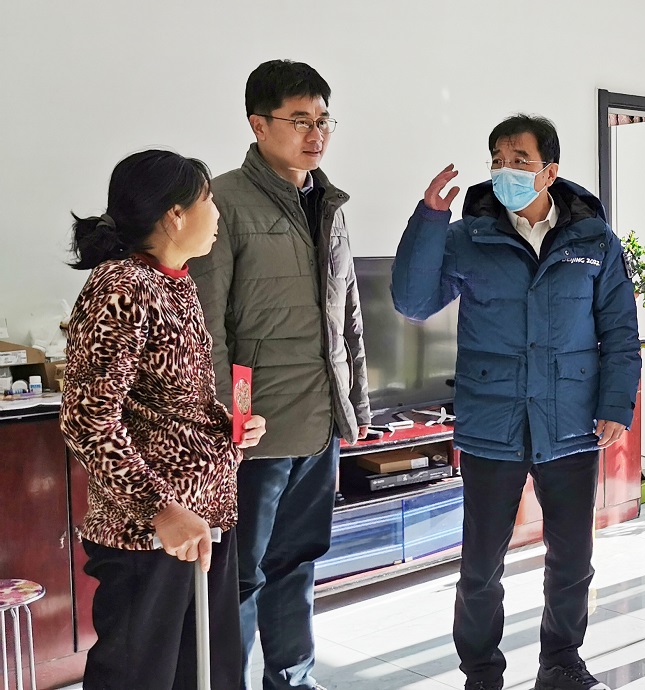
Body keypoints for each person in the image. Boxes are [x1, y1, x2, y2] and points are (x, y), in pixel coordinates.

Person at [392, 114, 640, 690]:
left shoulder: (594, 240)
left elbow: (620, 331)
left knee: (572, 558)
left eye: (520, 160)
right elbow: (412, 302)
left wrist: (615, 404)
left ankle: (561, 662)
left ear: (550, 171)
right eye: (498, 160)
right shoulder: (468, 236)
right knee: (481, 564)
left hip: (571, 422)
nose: (506, 170)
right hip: (493, 422)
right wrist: (429, 219)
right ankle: (481, 672)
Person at [187, 59, 369, 690]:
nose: (316, 134)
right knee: (242, 574)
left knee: (299, 563)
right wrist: (224, 421)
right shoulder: (223, 202)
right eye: (299, 120)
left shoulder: (329, 203)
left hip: (319, 423)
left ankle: (292, 677)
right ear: (258, 125)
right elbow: (207, 325)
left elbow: (349, 317)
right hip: (254, 433)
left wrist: (355, 407)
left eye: (323, 120)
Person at [61, 150, 268, 690]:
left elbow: (168, 405)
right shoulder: (121, 288)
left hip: (202, 520)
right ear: (175, 215)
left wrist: (227, 425)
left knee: (209, 672)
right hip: (149, 535)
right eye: (208, 201)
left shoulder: (175, 282)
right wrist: (161, 509)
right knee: (141, 676)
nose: (217, 213)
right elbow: (87, 420)